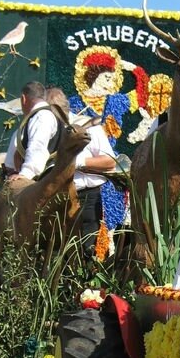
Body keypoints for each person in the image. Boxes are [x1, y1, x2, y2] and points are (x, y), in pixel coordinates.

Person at [45, 87, 126, 257]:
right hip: (56, 197)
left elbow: (110, 161)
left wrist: (78, 163)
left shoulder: (89, 127)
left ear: (63, 108)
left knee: (87, 249)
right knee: (55, 250)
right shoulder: (47, 130)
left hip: (86, 197)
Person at [5, 81, 64, 181]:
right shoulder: (38, 117)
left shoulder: (42, 116)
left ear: (23, 99)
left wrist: (26, 174)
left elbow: (37, 146)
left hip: (39, 183)